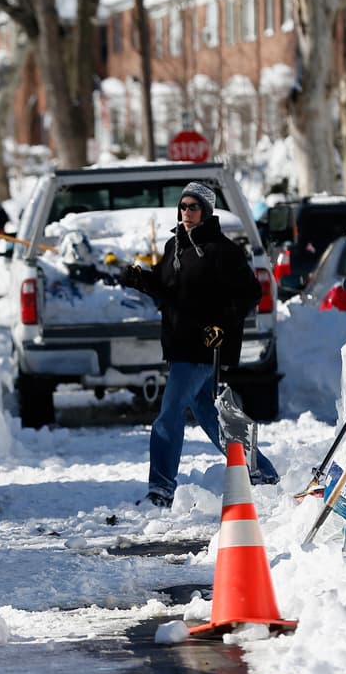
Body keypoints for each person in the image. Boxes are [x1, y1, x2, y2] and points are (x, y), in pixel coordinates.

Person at [119, 181, 280, 508]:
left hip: (203, 345)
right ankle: (261, 471)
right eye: (183, 207)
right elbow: (168, 291)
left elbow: (250, 293)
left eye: (194, 207)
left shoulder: (223, 250)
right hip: (179, 342)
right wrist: (140, 279)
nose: (187, 213)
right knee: (211, 416)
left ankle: (161, 488)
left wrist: (224, 324)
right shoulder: (173, 246)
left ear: (206, 211)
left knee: (169, 414)